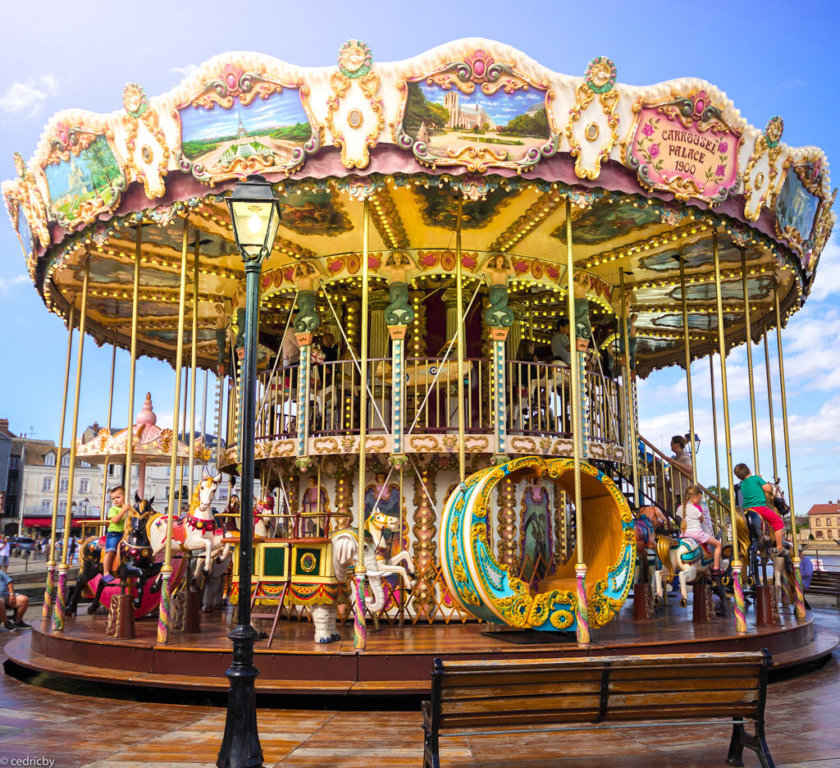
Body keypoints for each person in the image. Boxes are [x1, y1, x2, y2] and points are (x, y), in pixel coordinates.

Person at [734, 463, 785, 555]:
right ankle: (779, 547)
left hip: (746, 508)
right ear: (749, 470)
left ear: (739, 477)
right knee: (778, 522)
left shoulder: (742, 484)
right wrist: (761, 480)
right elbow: (768, 489)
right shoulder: (756, 479)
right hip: (759, 507)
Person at [679, 485, 723, 573]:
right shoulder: (697, 508)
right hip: (697, 534)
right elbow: (702, 520)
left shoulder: (680, 508)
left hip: (684, 534)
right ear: (693, 497)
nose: (699, 501)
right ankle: (716, 568)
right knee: (718, 544)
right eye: (699, 499)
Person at [102, 485, 130, 583]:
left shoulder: (129, 510)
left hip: (125, 534)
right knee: (110, 551)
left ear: (125, 497)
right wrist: (123, 510)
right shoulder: (113, 510)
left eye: (118, 497)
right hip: (114, 534)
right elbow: (115, 520)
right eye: (113, 498)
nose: (115, 500)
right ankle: (106, 572)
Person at [670, 435, 693, 506]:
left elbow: (690, 469)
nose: (670, 445)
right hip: (679, 490)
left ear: (677, 444)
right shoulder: (678, 456)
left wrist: (676, 463)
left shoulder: (683, 456)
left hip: (683, 490)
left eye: (671, 443)